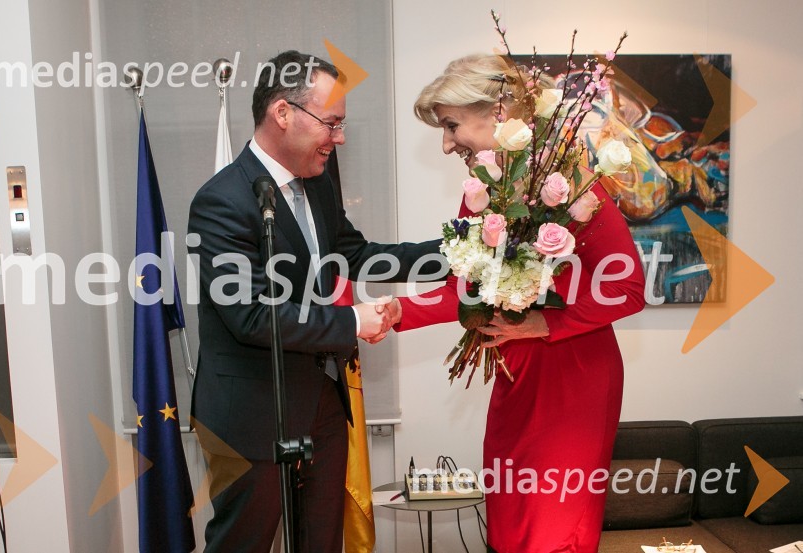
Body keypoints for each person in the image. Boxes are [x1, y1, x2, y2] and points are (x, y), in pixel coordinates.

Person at [386, 54, 647, 552]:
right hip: (517, 375)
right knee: (510, 515)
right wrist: (398, 313)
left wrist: (545, 327)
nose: (445, 144)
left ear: (496, 111)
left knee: (552, 523)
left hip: (573, 378)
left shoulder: (571, 188)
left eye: (450, 126)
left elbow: (627, 289)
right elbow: (469, 291)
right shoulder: (481, 192)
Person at [187, 50, 443, 552]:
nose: (339, 137)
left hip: (322, 406)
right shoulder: (222, 200)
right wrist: (351, 323)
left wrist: (456, 254)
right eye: (332, 123)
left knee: (322, 543)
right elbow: (250, 315)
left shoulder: (318, 184)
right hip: (250, 414)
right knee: (244, 543)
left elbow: (355, 254)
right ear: (283, 113)